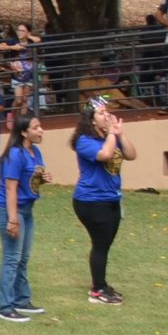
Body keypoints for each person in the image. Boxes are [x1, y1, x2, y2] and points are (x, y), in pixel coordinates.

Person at [72, 100, 134, 305]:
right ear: (91, 120)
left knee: (104, 245)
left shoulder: (111, 137)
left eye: (107, 112)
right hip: (91, 201)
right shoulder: (84, 141)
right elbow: (105, 155)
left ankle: (101, 284)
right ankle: (97, 290)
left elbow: (131, 155)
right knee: (100, 244)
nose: (106, 115)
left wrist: (120, 134)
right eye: (101, 113)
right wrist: (111, 134)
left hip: (112, 198)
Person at [0, 111, 47, 322]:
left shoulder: (35, 152)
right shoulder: (15, 155)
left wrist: (43, 180)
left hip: (27, 209)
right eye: (36, 127)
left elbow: (31, 180)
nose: (40, 130)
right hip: (10, 210)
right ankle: (5, 306)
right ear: (24, 132)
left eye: (40, 126)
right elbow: (10, 189)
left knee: (22, 258)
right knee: (12, 258)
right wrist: (12, 219)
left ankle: (21, 299)